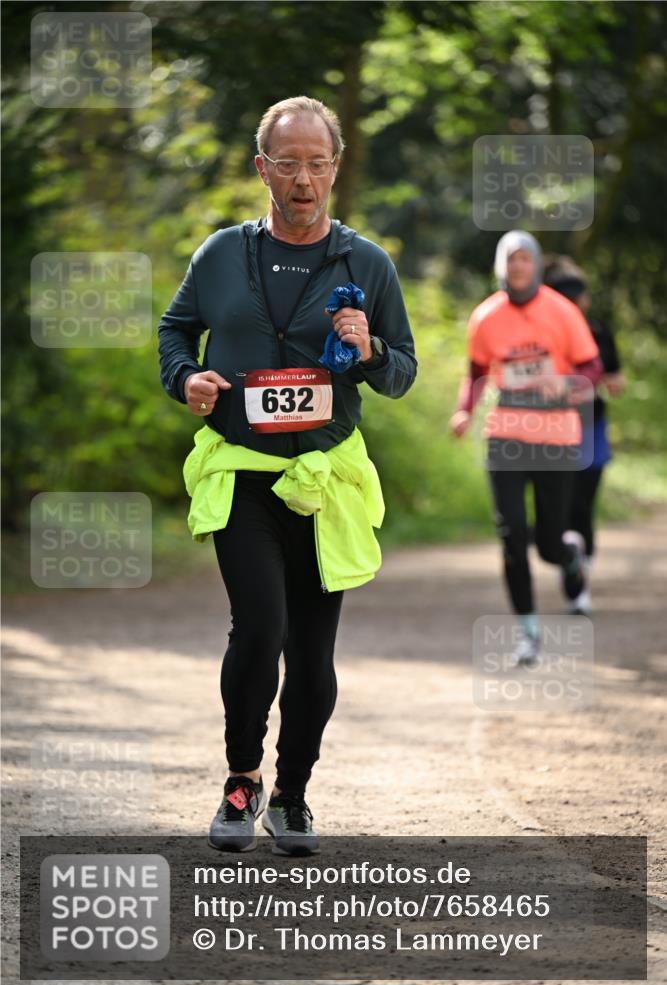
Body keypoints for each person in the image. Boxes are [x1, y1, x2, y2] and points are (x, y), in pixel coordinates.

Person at [158, 96, 416, 854]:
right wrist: (186, 378)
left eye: (317, 163)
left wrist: (369, 350)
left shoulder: (367, 263)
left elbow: (401, 372)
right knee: (259, 627)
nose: (303, 179)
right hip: (242, 473)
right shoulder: (219, 255)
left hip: (324, 482)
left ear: (335, 168)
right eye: (288, 163)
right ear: (261, 168)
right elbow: (175, 331)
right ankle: (242, 779)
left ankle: (292, 794)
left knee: (310, 654)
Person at [450, 231, 602, 665]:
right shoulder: (485, 316)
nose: (517, 266)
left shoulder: (562, 310)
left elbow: (592, 366)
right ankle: (529, 633)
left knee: (549, 545)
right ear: (501, 265)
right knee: (512, 535)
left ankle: (569, 555)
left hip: (556, 436)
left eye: (524, 258)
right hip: (506, 434)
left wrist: (567, 383)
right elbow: (475, 371)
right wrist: (464, 410)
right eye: (510, 258)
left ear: (535, 265)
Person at [544, 256, 625, 614]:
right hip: (547, 430)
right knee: (559, 510)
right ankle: (574, 581)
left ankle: (579, 588)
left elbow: (617, 380)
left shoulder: (599, 331)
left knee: (581, 507)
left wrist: (594, 380)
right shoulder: (542, 333)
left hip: (591, 428)